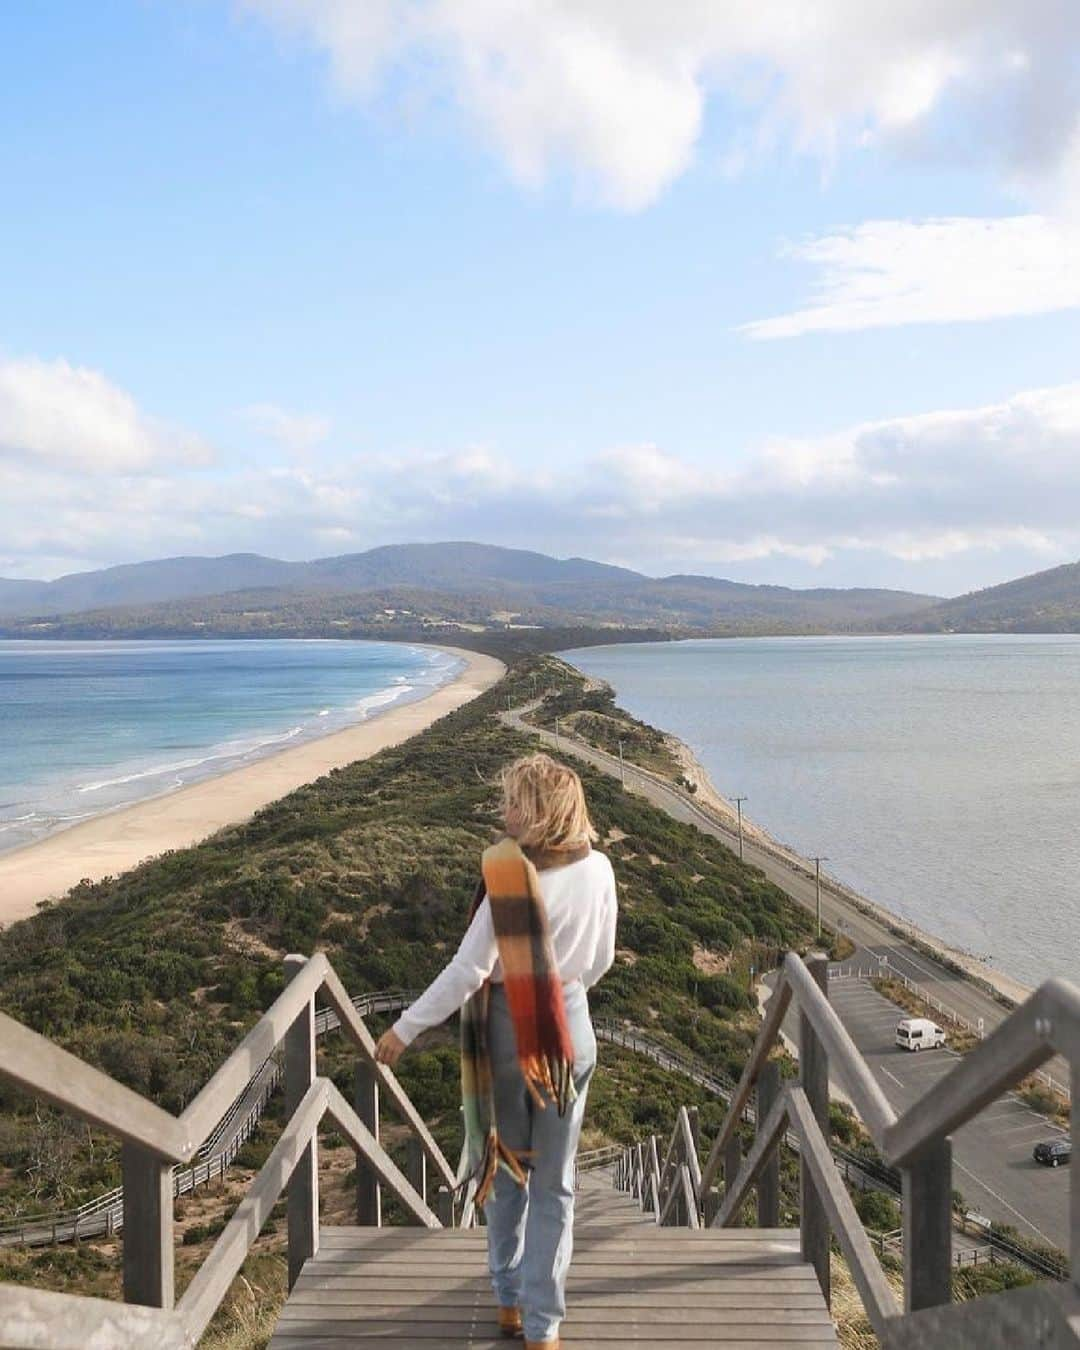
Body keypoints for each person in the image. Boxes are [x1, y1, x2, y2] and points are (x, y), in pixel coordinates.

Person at [375, 752, 618, 1348]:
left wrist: (405, 1028)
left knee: (508, 1172)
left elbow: (468, 971)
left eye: (514, 802)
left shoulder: (511, 877)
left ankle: (509, 1299)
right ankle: (545, 1326)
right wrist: (562, 986)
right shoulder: (601, 868)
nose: (503, 812)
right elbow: (602, 960)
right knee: (557, 1183)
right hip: (572, 1032)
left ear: (539, 814)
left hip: (512, 1034)